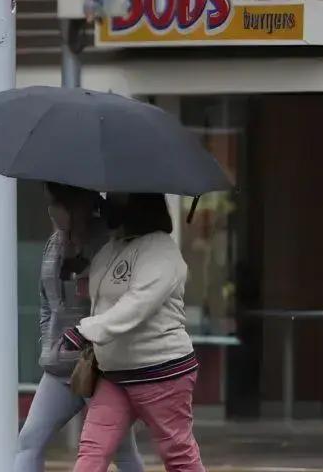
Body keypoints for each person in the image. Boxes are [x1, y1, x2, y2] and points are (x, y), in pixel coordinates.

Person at [62, 193, 205, 472]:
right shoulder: (112, 248)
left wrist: (87, 331)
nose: (106, 204)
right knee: (93, 448)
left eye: (116, 198)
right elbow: (102, 295)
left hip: (160, 371)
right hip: (115, 373)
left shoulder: (162, 250)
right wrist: (74, 255)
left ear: (138, 204)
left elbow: (137, 305)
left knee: (178, 454)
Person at [13, 183, 144, 472]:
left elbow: (120, 304)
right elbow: (47, 302)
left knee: (120, 449)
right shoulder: (54, 244)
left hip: (99, 367)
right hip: (60, 366)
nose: (51, 212)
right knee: (30, 439)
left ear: (74, 206)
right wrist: (49, 343)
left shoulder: (107, 244)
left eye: (55, 204)